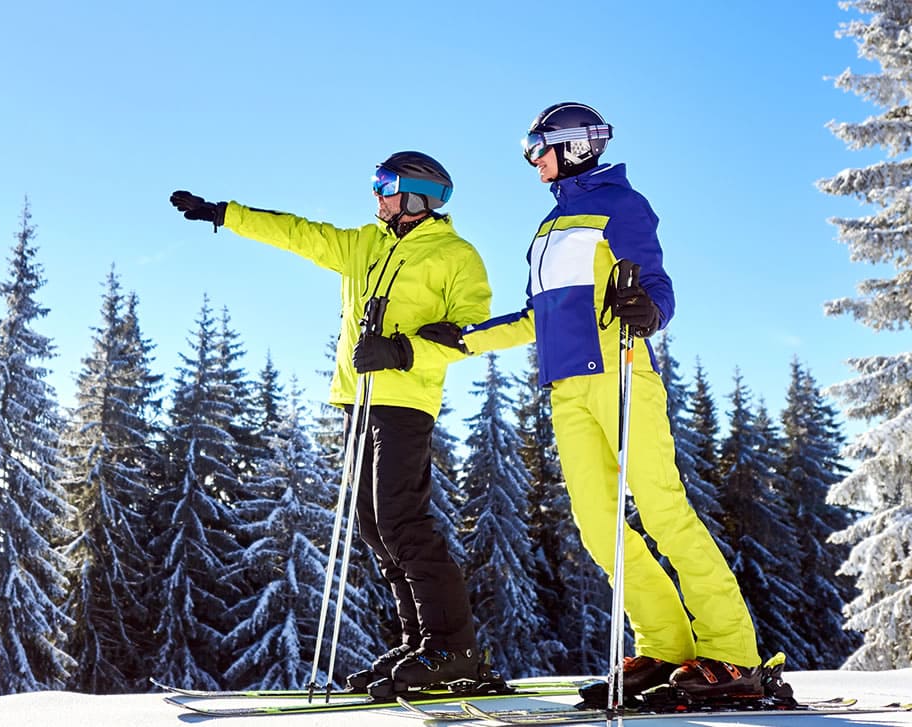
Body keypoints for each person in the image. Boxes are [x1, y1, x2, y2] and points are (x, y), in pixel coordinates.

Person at [420, 102, 762, 702]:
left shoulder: (622, 204)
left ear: (574, 144)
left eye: (538, 147)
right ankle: (664, 646)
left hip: (620, 370)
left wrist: (652, 311)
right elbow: (538, 316)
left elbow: (655, 281)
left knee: (662, 511)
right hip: (566, 387)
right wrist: (466, 339)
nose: (532, 160)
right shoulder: (548, 228)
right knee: (598, 528)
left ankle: (733, 654)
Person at [169, 151, 494, 697]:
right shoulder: (364, 245)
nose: (377, 195)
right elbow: (299, 234)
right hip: (358, 402)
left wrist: (400, 350)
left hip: (405, 401)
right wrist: (225, 214)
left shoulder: (455, 255)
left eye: (386, 185)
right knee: (373, 524)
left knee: (401, 520)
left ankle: (454, 648)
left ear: (420, 194)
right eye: (376, 184)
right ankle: (422, 644)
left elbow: (472, 329)